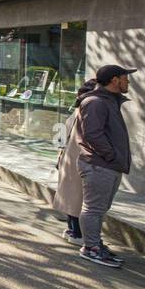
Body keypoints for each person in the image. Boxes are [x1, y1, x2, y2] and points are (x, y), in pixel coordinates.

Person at [74, 64, 137, 268]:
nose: (128, 81)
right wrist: (111, 156)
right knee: (93, 208)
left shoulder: (109, 100)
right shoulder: (95, 102)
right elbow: (93, 134)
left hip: (108, 165)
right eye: (125, 78)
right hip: (99, 164)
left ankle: (95, 243)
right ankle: (90, 247)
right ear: (114, 80)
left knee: (100, 208)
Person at [53, 81, 94, 244]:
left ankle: (72, 229)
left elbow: (61, 136)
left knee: (71, 196)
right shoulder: (87, 112)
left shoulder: (78, 111)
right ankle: (77, 233)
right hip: (78, 159)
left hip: (69, 159)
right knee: (77, 198)